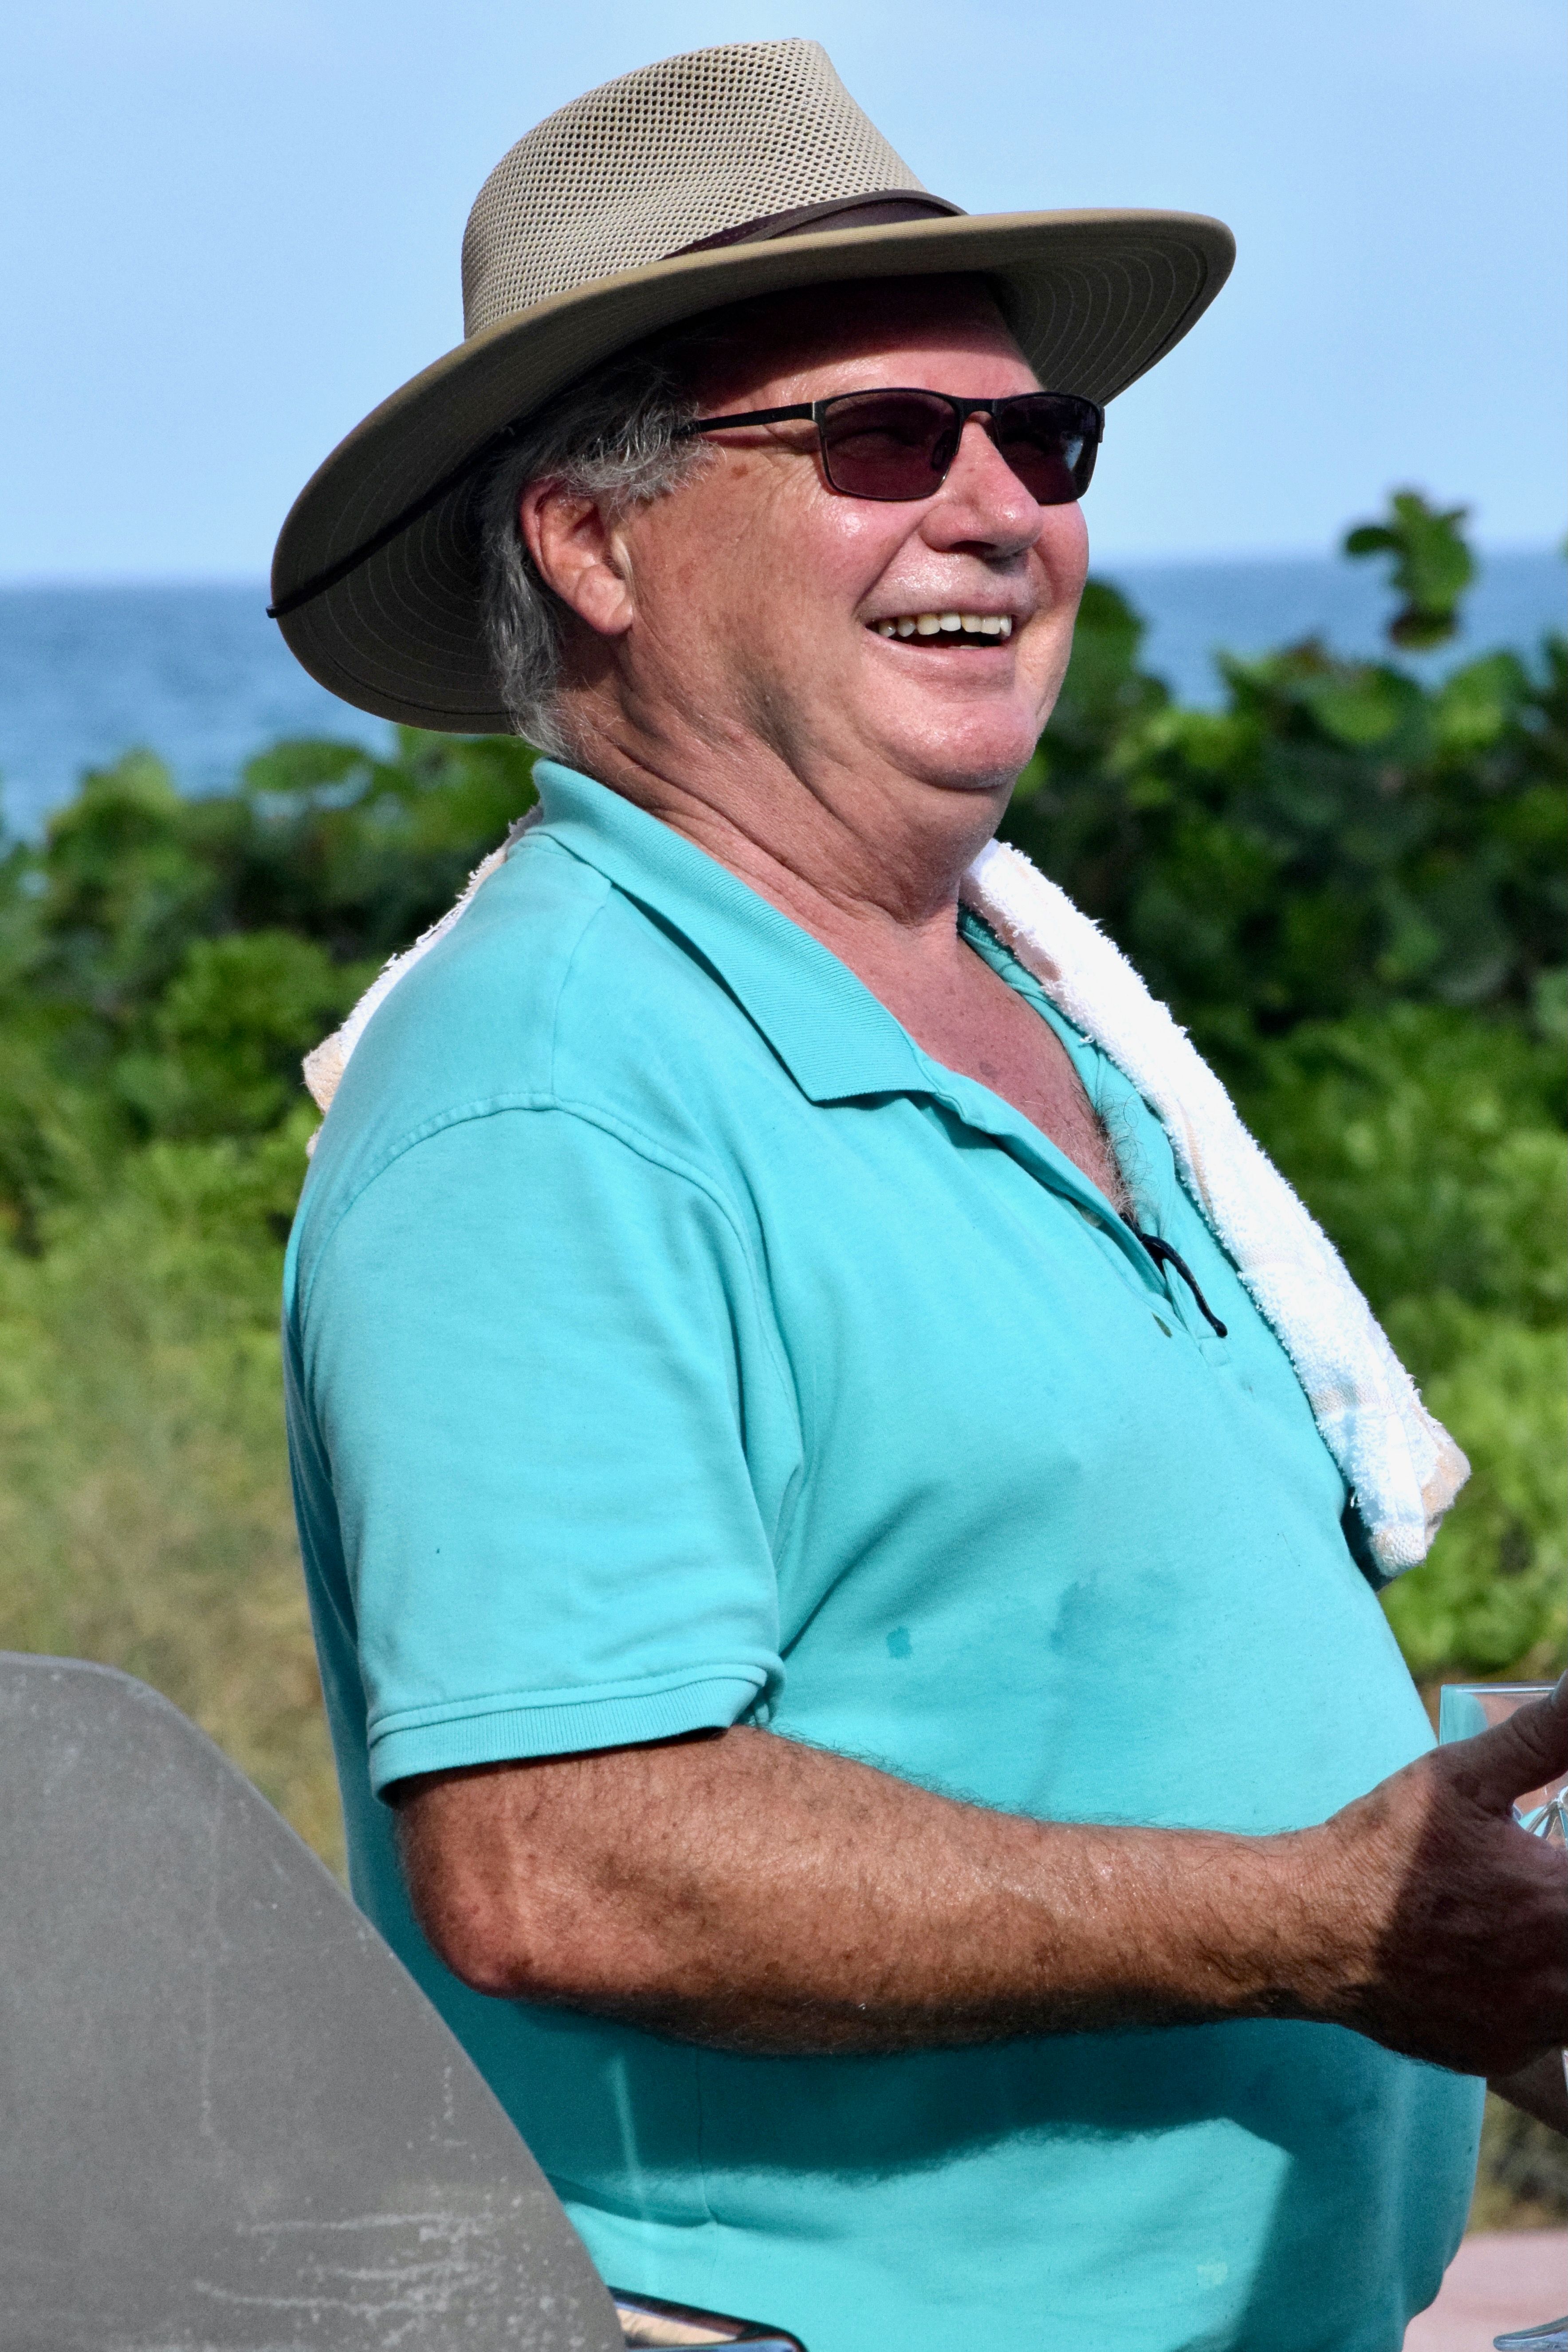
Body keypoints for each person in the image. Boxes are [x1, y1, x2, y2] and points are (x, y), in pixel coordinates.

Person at [272, 41, 1568, 2352]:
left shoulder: (1030, 1004)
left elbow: (1049, 1657)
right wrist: (1322, 1920)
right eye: (880, 440)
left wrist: (1470, 1883)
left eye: (1041, 440)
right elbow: (561, 1853)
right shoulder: (553, 1091)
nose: (997, 511)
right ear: (592, 541)